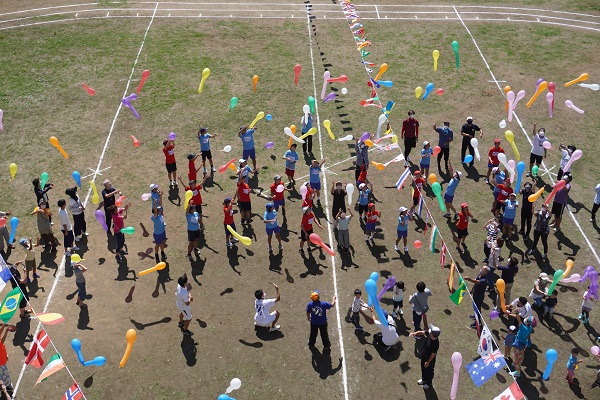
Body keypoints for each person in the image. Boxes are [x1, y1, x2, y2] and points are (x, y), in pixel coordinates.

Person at [409, 323, 441, 390]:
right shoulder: (430, 333)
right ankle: (423, 379)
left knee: (429, 371)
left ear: (433, 334)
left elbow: (433, 354)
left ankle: (428, 383)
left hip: (429, 359)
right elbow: (422, 332)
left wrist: (428, 362)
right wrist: (415, 333)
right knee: (423, 368)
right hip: (424, 356)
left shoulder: (435, 344)